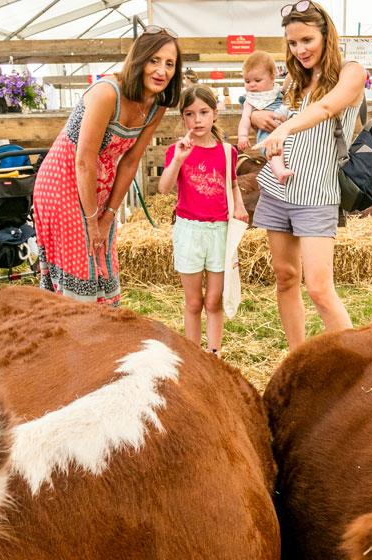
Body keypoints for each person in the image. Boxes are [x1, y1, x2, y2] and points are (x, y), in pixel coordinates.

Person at [30, 29, 180, 307]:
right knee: (81, 261)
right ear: (139, 61)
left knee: (101, 259)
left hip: (99, 188)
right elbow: (85, 160)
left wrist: (109, 215)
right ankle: (70, 333)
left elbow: (131, 160)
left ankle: (99, 335)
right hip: (64, 181)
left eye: (169, 64)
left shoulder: (157, 105)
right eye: (154, 61)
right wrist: (91, 220)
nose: (162, 71)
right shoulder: (107, 92)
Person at [249, 0, 366, 349]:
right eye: (292, 43)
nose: (300, 50)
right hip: (278, 189)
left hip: (316, 193)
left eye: (307, 40)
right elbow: (268, 111)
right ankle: (297, 356)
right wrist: (260, 120)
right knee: (285, 278)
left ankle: (355, 364)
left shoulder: (352, 71)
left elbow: (328, 107)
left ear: (326, 35)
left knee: (318, 287)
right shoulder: (294, 80)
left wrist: (285, 131)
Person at [159, 86, 247, 354]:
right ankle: (193, 354)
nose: (197, 120)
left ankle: (214, 353)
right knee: (194, 302)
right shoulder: (178, 150)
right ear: (183, 117)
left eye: (203, 112)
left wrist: (240, 207)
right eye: (189, 114)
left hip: (219, 231)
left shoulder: (226, 151)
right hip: (189, 231)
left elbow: (231, 184)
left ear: (215, 114)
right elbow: (164, 188)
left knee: (213, 301)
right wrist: (178, 160)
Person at [238, 51, 292, 182]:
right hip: (266, 135)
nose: (252, 84)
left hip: (285, 130)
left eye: (257, 80)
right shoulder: (250, 100)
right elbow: (245, 118)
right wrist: (243, 136)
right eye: (247, 81)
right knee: (274, 151)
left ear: (272, 77)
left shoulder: (278, 92)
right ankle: (280, 172)